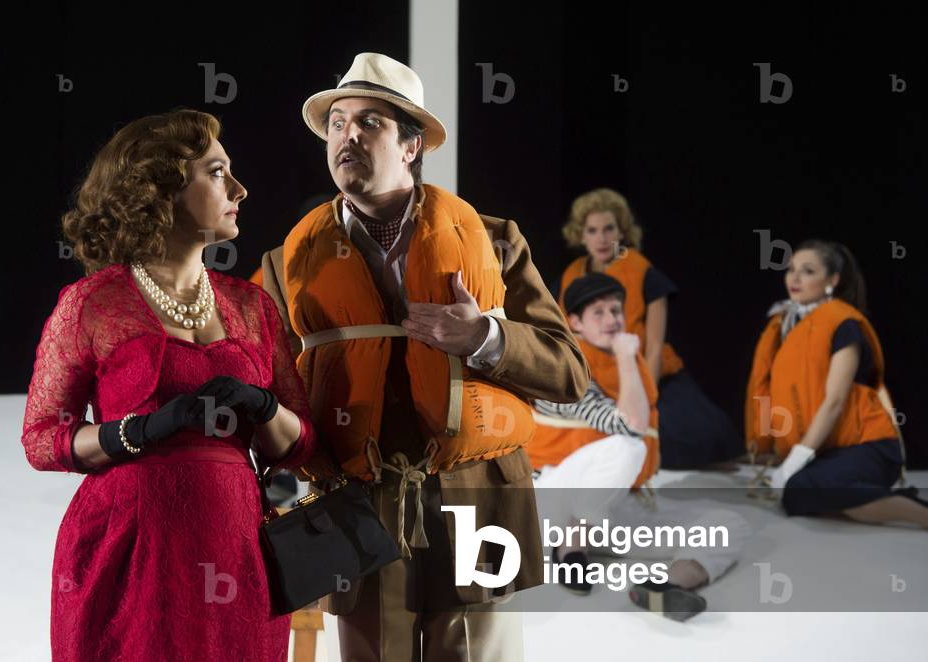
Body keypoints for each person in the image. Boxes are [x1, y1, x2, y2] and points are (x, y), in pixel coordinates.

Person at [257, 53, 589, 661]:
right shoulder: (288, 265)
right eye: (337, 123)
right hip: (357, 504)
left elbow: (568, 372)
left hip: (479, 496)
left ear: (412, 146)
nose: (348, 137)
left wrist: (484, 338)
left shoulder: (494, 241)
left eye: (370, 123)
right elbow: (272, 393)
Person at [20, 109, 318, 661]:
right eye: (218, 173)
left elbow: (299, 443)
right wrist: (137, 431)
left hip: (239, 554)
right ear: (160, 189)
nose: (240, 190)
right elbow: (41, 439)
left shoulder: (251, 307)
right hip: (127, 554)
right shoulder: (94, 304)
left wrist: (263, 406)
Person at [532, 272, 749, 621]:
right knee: (628, 446)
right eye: (598, 312)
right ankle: (570, 546)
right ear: (575, 323)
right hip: (552, 499)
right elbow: (631, 424)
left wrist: (626, 359)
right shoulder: (562, 368)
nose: (612, 319)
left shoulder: (623, 361)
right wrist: (626, 356)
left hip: (606, 509)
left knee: (728, 523)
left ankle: (666, 587)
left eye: (616, 310)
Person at [746, 240, 928, 530]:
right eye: (791, 270)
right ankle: (886, 498)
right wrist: (774, 448)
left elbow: (834, 402)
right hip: (830, 448)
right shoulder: (785, 325)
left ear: (832, 281)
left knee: (804, 487)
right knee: (797, 494)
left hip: (868, 445)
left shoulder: (843, 324)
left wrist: (796, 458)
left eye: (808, 271)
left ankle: (927, 517)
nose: (795, 278)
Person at [558, 188, 743, 468]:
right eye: (592, 230)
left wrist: (646, 394)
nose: (602, 238)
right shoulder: (571, 275)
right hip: (594, 381)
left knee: (695, 440)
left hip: (646, 373)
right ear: (580, 235)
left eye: (609, 229)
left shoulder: (643, 272)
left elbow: (655, 346)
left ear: (622, 231)